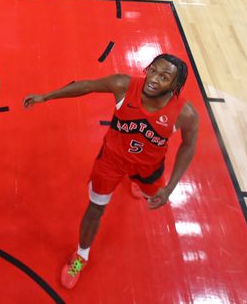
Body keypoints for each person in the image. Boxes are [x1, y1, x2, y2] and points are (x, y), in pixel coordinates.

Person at [22, 54, 199, 289]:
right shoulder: (124, 85)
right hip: (111, 163)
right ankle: (81, 257)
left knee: (154, 198)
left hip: (149, 167)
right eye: (153, 70)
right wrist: (46, 96)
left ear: (175, 86)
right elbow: (86, 86)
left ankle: (136, 181)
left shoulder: (186, 114)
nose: (153, 79)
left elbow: (188, 146)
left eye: (164, 77)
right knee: (95, 209)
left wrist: (170, 188)